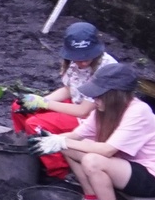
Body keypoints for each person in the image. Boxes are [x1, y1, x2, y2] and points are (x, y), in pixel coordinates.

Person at [38, 61, 155, 200]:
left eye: (99, 95)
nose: (95, 99)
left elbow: (107, 150)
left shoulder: (138, 111)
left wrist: (62, 141)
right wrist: (50, 139)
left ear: (115, 95)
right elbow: (77, 135)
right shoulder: (102, 110)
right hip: (124, 168)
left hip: (151, 178)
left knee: (93, 161)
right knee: (69, 147)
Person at [15, 21, 118, 179]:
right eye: (77, 58)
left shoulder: (105, 69)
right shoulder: (71, 62)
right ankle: (31, 152)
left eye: (87, 57)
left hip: (94, 117)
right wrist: (40, 100)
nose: (83, 62)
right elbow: (70, 89)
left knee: (35, 124)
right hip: (77, 104)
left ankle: (61, 171)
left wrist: (44, 103)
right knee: (19, 106)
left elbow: (83, 111)